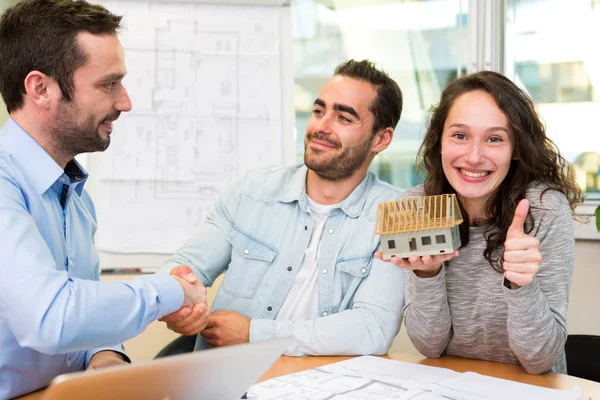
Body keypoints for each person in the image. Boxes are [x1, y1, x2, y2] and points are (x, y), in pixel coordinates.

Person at [0, 1, 207, 397]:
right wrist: (169, 291)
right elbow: (51, 317)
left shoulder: (75, 197)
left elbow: (82, 316)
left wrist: (105, 355)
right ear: (40, 89)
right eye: (108, 84)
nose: (124, 101)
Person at [158, 59, 406, 356]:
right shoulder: (252, 191)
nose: (320, 127)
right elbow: (188, 264)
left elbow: (372, 329)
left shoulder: (397, 213)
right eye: (318, 111)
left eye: (343, 118)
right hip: (225, 383)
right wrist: (175, 299)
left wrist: (254, 334)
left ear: (381, 139)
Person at [377, 70, 584, 374]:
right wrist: (427, 272)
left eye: (494, 139)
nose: (474, 156)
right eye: (460, 136)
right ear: (440, 142)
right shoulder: (421, 206)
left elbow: (539, 360)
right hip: (453, 387)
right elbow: (430, 347)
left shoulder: (544, 209)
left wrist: (519, 282)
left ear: (516, 149)